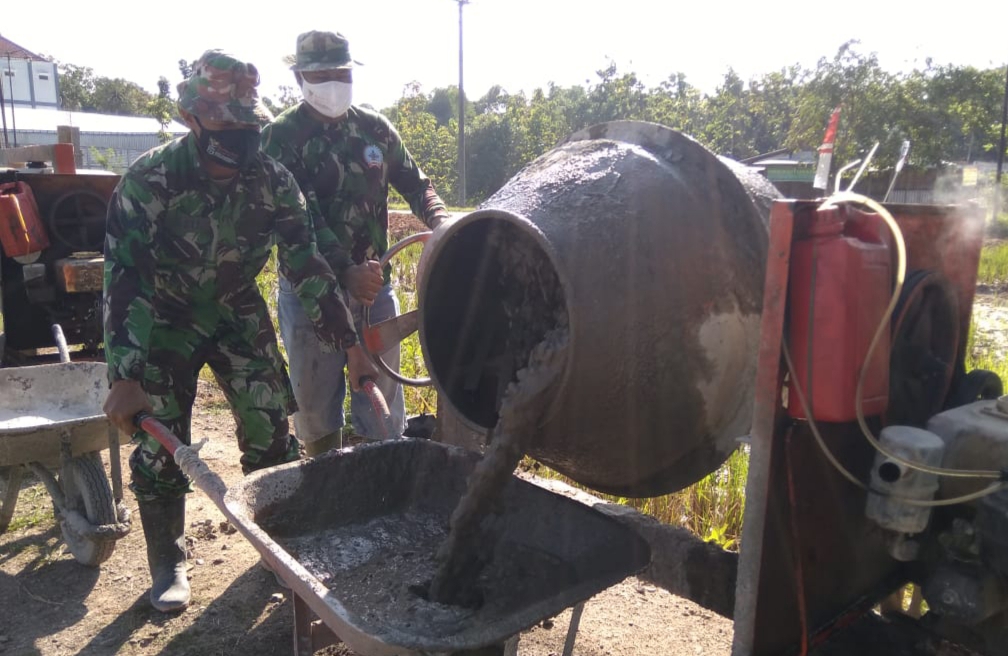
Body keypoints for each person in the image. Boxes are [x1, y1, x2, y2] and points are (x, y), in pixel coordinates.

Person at [102, 49, 378, 612]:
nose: (240, 137)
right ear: (192, 121)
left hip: (236, 308)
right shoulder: (149, 179)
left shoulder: (273, 180)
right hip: (165, 314)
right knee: (160, 445)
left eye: (247, 125)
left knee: (271, 426)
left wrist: (352, 347)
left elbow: (306, 264)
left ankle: (274, 546)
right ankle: (169, 559)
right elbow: (127, 281)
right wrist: (125, 377)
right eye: (226, 125)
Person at [262, 30, 450, 456]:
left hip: (373, 293)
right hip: (311, 292)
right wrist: (345, 271)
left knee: (381, 404)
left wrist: (441, 223)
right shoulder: (280, 139)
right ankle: (326, 485)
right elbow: (300, 220)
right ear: (300, 79)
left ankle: (380, 476)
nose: (334, 82)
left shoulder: (374, 130)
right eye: (322, 74)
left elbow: (417, 183)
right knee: (315, 409)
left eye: (341, 72)